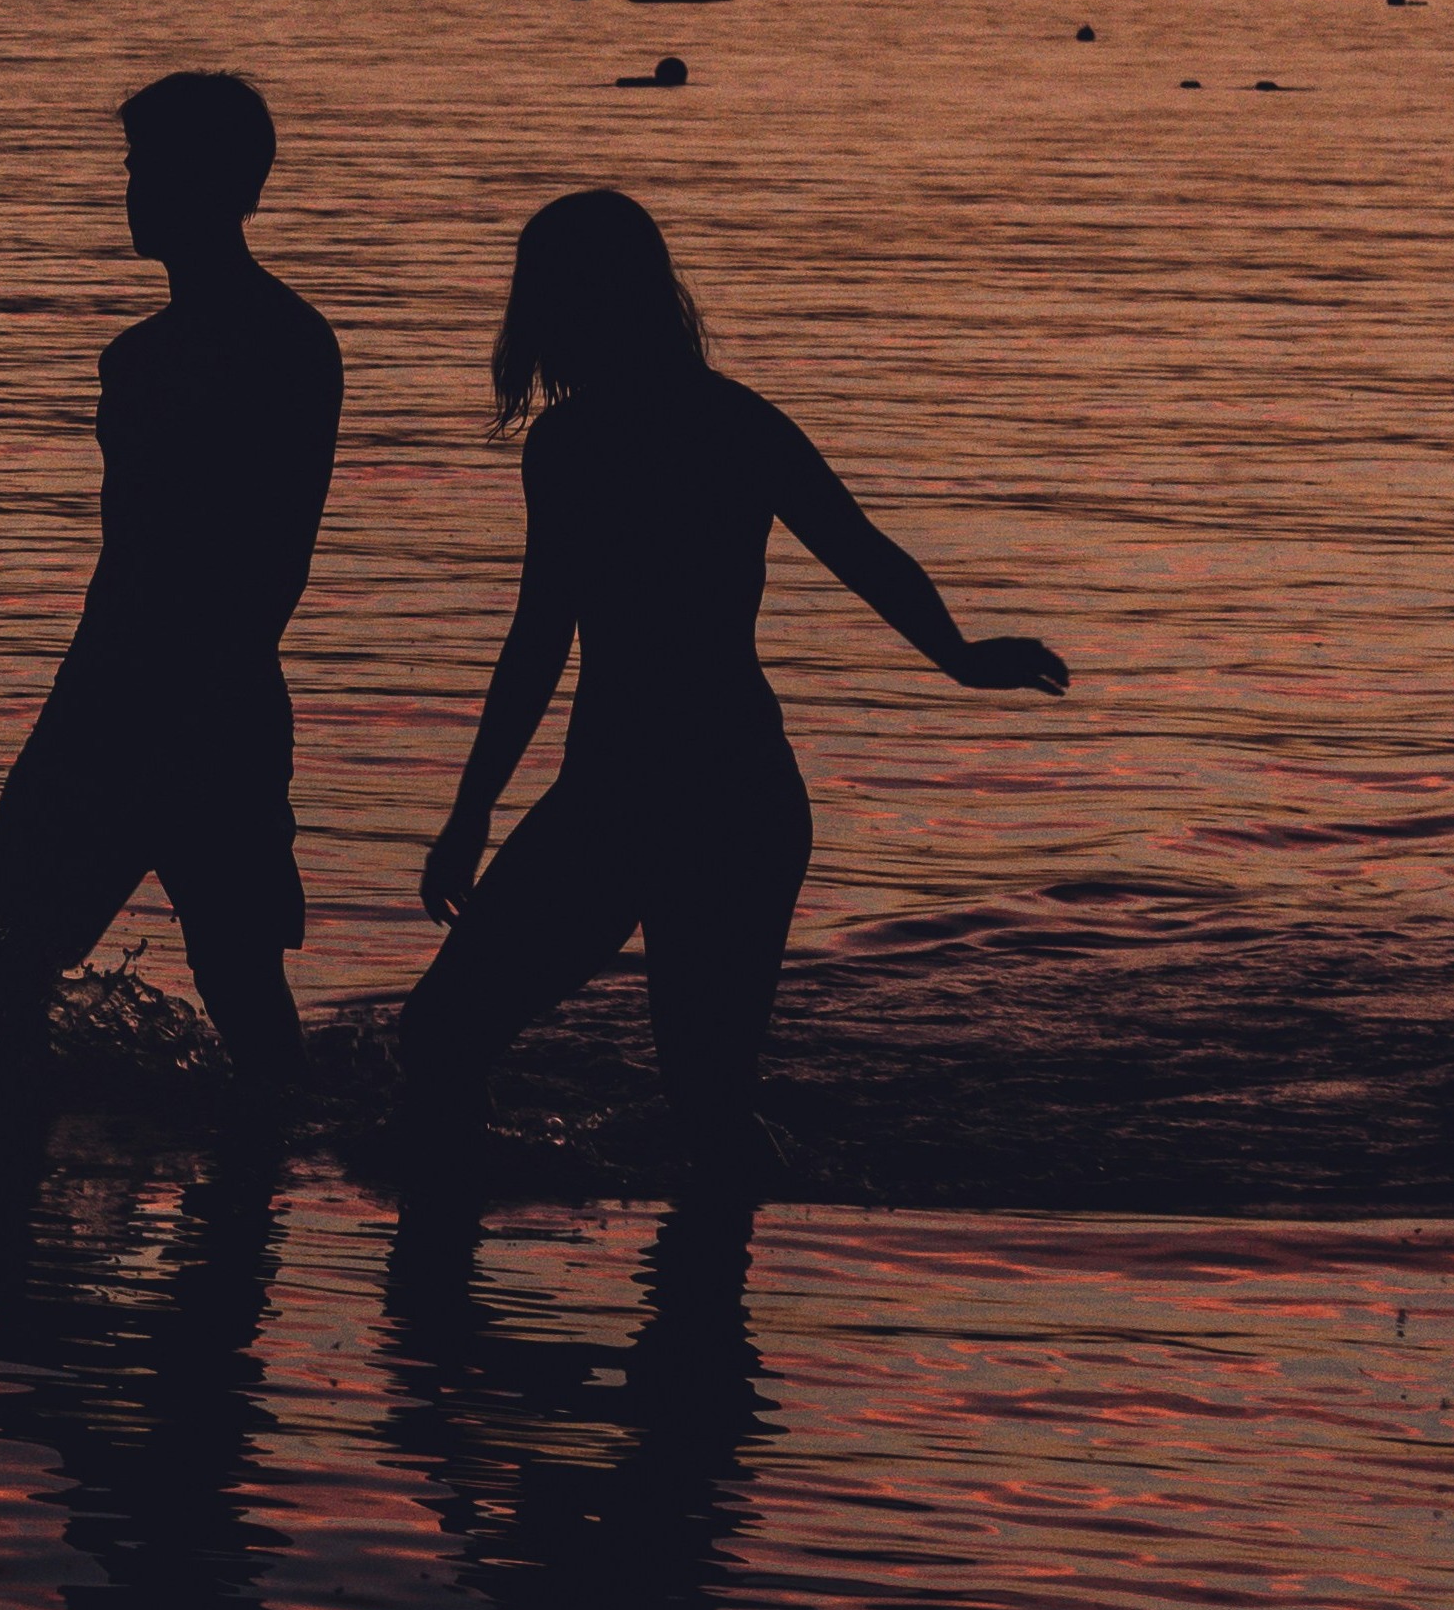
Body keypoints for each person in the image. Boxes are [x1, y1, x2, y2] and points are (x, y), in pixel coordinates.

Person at [400, 187, 1064, 1191]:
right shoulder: (715, 423)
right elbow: (859, 550)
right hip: (687, 795)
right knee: (650, 1087)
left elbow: (542, 640)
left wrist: (472, 812)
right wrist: (956, 655)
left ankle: (461, 1242)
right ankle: (467, 1224)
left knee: (520, 1057)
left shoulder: (603, 441)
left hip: (676, 798)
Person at [0, 71, 343, 1103]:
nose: (130, 190)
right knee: (9, 964)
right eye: (131, 168)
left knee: (237, 979)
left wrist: (181, 698)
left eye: (148, 169)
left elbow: (275, 558)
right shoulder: (138, 358)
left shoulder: (283, 345)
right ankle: (10, 1172)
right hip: (111, 689)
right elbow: (124, 556)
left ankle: (263, 1166)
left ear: (214, 182)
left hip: (204, 699)